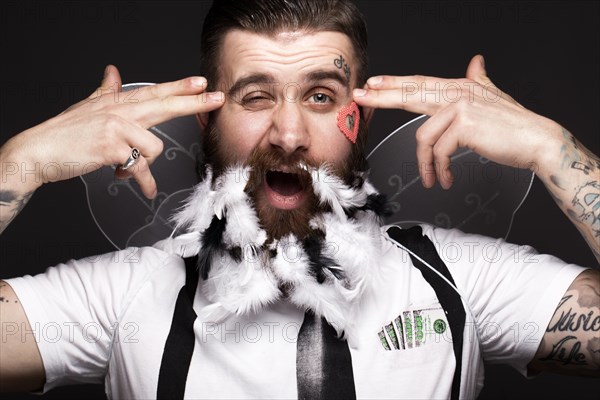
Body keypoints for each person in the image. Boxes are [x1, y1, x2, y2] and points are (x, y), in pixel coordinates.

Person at [0, 0, 598, 399]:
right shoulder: (128, 293)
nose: (288, 136)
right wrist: (17, 165)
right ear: (209, 121)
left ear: (356, 120)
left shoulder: (459, 280)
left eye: (319, 96)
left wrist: (555, 150)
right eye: (256, 96)